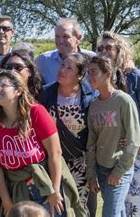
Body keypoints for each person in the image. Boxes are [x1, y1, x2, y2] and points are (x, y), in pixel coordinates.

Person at [0, 70, 83, 217]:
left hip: (45, 182)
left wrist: (54, 190)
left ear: (18, 91)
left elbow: (55, 153)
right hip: (16, 187)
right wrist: (6, 200)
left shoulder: (36, 112)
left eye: (3, 85)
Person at [97, 32, 140, 216]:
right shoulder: (101, 78)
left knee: (136, 190)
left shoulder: (135, 76)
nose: (104, 51)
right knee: (117, 190)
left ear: (120, 51)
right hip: (115, 143)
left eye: (109, 48)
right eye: (100, 48)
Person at [40, 53, 98, 215]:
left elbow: (98, 128)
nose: (62, 70)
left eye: (69, 68)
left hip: (80, 162)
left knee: (79, 206)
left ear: (80, 76)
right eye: (62, 65)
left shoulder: (91, 96)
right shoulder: (45, 93)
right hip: (51, 161)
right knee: (54, 206)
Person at [86, 56, 140, 217]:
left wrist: (119, 171)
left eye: (94, 72)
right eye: (88, 73)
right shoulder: (94, 104)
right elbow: (91, 142)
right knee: (118, 212)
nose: (90, 77)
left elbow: (134, 140)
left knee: (110, 213)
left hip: (118, 169)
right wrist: (91, 174)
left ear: (108, 74)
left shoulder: (123, 101)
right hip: (101, 169)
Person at [35, 18, 95, 85]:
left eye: (65, 36)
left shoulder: (92, 58)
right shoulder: (43, 60)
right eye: (57, 36)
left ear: (78, 38)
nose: (60, 41)